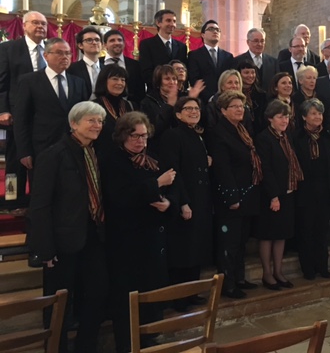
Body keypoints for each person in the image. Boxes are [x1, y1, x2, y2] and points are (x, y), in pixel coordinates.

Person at [28, 101, 108, 353]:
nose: (97, 126)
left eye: (100, 121)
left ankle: (86, 346)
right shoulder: (54, 154)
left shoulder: (97, 151)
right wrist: (45, 249)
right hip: (63, 241)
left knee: (96, 295)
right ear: (74, 124)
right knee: (59, 303)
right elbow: (40, 206)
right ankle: (56, 348)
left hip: (93, 235)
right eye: (91, 120)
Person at [100, 111, 176, 353]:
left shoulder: (150, 157)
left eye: (144, 136)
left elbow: (174, 186)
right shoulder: (112, 159)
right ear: (123, 135)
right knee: (127, 297)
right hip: (125, 239)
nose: (141, 141)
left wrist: (169, 203)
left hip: (151, 236)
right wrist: (156, 184)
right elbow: (120, 197)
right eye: (135, 136)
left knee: (149, 291)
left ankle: (147, 337)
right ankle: (127, 343)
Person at [160, 97, 213, 309]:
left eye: (196, 108)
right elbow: (174, 171)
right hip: (185, 199)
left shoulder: (196, 135)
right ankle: (178, 297)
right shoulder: (172, 135)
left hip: (200, 199)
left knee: (196, 248)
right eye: (188, 108)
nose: (193, 111)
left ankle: (192, 292)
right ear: (178, 114)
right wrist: (182, 203)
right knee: (182, 251)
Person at [210, 91, 261, 299]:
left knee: (241, 241)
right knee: (228, 243)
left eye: (242, 106)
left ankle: (239, 278)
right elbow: (222, 168)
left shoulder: (241, 129)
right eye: (234, 106)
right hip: (230, 197)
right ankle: (227, 284)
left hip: (246, 193)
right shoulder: (218, 132)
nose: (240, 109)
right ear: (223, 110)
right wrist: (232, 197)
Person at [292, 99, 330, 280]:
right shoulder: (296, 137)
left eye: (320, 113)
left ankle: (322, 266)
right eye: (314, 113)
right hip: (304, 192)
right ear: (304, 117)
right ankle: (308, 268)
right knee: (306, 231)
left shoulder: (329, 136)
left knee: (322, 232)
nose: (318, 117)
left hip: (326, 191)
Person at [13, 38, 88, 173]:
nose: (65, 57)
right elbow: (21, 118)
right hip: (41, 147)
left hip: (73, 146)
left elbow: (83, 116)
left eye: (68, 53)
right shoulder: (29, 81)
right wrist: (24, 151)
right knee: (43, 190)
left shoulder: (78, 82)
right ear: (46, 55)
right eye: (59, 53)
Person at [0, 10, 48, 206]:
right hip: (17, 113)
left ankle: (41, 200)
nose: (40, 27)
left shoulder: (52, 49)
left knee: (44, 159)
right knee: (15, 157)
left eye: (43, 24)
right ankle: (14, 199)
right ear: (24, 25)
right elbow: (2, 82)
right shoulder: (9, 48)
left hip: (44, 115)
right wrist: (2, 110)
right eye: (35, 23)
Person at [255, 100, 303, 290]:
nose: (284, 120)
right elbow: (265, 168)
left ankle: (278, 271)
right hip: (271, 195)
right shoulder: (264, 138)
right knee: (268, 235)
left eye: (286, 116)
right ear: (270, 119)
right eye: (280, 117)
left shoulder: (286, 136)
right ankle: (267, 273)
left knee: (281, 234)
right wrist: (274, 195)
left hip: (287, 192)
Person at [139, 9, 188, 88]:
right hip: (156, 90)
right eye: (168, 20)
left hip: (177, 92)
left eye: (174, 21)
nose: (172, 24)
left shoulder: (182, 47)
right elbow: (146, 71)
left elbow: (184, 71)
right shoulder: (147, 44)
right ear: (158, 23)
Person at [187, 20, 233, 102]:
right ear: (203, 35)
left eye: (217, 30)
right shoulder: (194, 55)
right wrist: (210, 98)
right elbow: (195, 80)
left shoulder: (228, 56)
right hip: (204, 100)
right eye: (211, 29)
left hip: (225, 100)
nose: (215, 31)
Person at [93, 64, 134, 153]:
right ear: (104, 81)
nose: (120, 83)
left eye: (123, 80)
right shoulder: (94, 106)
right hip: (103, 157)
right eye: (115, 79)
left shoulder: (129, 105)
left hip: (127, 157)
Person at [100, 29, 145, 106]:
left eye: (120, 40)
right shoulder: (98, 63)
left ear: (124, 43)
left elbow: (140, 91)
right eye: (112, 40)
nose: (117, 43)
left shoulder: (135, 65)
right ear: (105, 45)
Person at [67, 26, 102, 99]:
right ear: (80, 45)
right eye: (89, 40)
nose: (94, 43)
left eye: (97, 40)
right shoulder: (71, 69)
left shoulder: (106, 68)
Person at [238, 60, 267, 134]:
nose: (250, 76)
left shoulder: (261, 94)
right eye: (246, 72)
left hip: (258, 133)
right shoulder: (236, 95)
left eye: (253, 72)